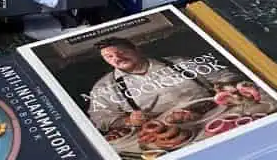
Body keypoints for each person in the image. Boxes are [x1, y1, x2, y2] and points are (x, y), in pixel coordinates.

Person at [86, 38, 243, 133]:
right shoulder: (104, 88)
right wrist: (128, 121)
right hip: (168, 131)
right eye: (109, 56)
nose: (117, 58)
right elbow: (100, 118)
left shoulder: (179, 62)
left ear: (136, 49)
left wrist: (225, 85)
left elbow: (224, 74)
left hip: (219, 112)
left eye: (121, 52)